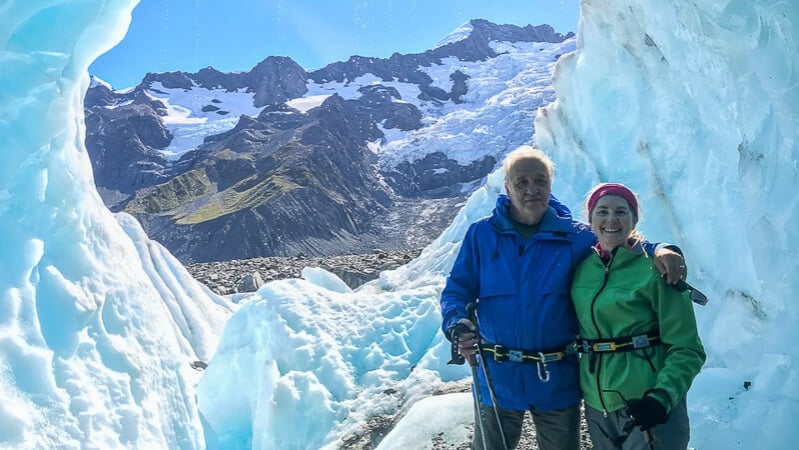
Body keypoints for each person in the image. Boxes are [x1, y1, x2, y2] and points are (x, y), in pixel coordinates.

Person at [440, 146, 687, 450]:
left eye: (540, 181)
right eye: (522, 182)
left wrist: (660, 249)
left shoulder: (575, 237)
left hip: (555, 379)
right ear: (507, 188)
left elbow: (617, 239)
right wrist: (457, 323)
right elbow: (457, 291)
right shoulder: (482, 236)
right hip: (497, 376)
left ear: (550, 184)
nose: (532, 189)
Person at [570, 183, 705, 450]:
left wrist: (661, 397)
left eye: (621, 211)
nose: (611, 219)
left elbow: (687, 348)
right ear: (590, 219)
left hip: (649, 406)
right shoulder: (582, 269)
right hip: (599, 409)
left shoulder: (659, 269)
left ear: (634, 219)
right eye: (602, 211)